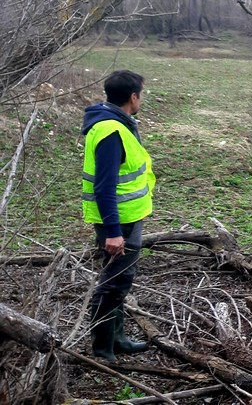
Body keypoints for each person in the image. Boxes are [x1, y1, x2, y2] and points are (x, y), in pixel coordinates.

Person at [81, 70, 156, 362]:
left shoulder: (119, 123)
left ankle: (118, 337)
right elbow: (104, 187)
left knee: (121, 281)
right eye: (141, 95)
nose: (141, 99)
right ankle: (102, 348)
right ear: (133, 97)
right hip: (118, 221)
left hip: (130, 216)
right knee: (112, 283)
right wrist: (113, 231)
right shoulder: (111, 132)